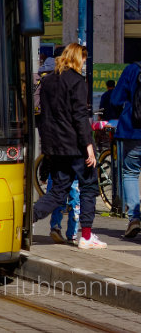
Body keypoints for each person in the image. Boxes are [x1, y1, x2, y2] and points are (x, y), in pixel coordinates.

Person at [32, 44, 106, 249]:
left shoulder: (47, 81)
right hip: (75, 146)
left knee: (57, 191)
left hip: (55, 147)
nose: (84, 63)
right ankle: (87, 236)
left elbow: (44, 115)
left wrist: (48, 147)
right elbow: (80, 116)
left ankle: (25, 220)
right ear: (76, 58)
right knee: (89, 186)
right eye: (83, 59)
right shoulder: (77, 82)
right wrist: (88, 146)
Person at [111, 62, 141, 238]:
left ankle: (134, 219)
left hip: (132, 131)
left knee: (130, 173)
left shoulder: (132, 69)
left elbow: (115, 99)